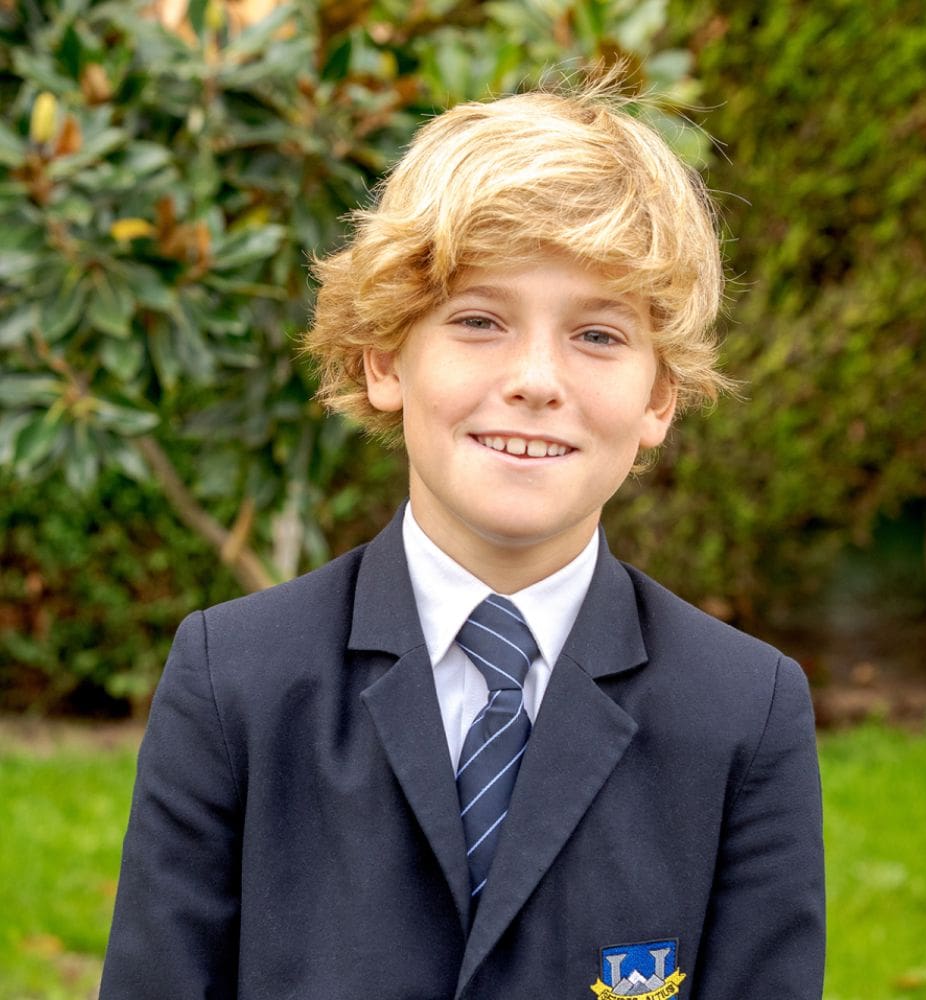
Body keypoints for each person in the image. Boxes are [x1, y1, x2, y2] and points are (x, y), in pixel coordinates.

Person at [100, 81, 824, 1000]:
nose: (534, 380)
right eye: (479, 321)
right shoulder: (234, 682)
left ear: (659, 398)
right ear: (385, 358)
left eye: (598, 334)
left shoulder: (744, 711)